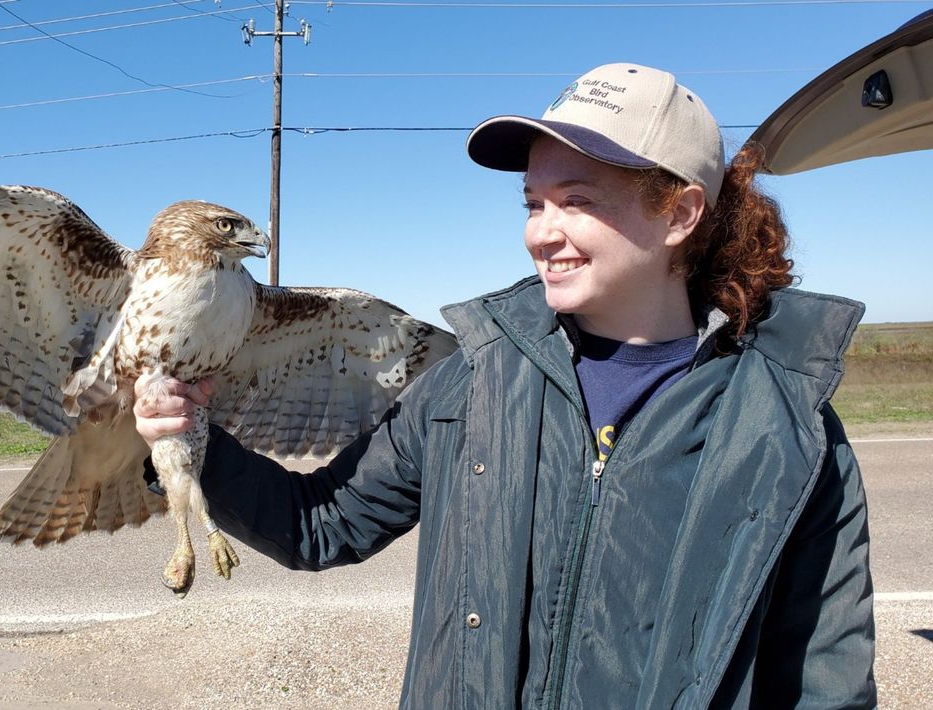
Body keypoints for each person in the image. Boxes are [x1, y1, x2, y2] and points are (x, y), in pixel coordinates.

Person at [134, 63, 875, 709]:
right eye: (532, 202)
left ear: (679, 213)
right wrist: (190, 439)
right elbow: (323, 525)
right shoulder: (472, 384)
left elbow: (824, 679)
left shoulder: (786, 422)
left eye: (577, 200)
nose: (541, 232)